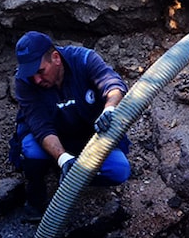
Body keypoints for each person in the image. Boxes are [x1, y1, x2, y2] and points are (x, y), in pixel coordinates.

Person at [8, 31, 131, 215]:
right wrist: (63, 158)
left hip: (89, 138)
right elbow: (40, 126)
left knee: (119, 170)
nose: (36, 80)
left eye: (40, 71)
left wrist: (110, 108)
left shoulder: (84, 60)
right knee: (30, 149)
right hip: (51, 138)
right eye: (31, 74)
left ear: (55, 58)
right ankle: (43, 184)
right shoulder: (24, 82)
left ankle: (75, 177)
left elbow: (112, 84)